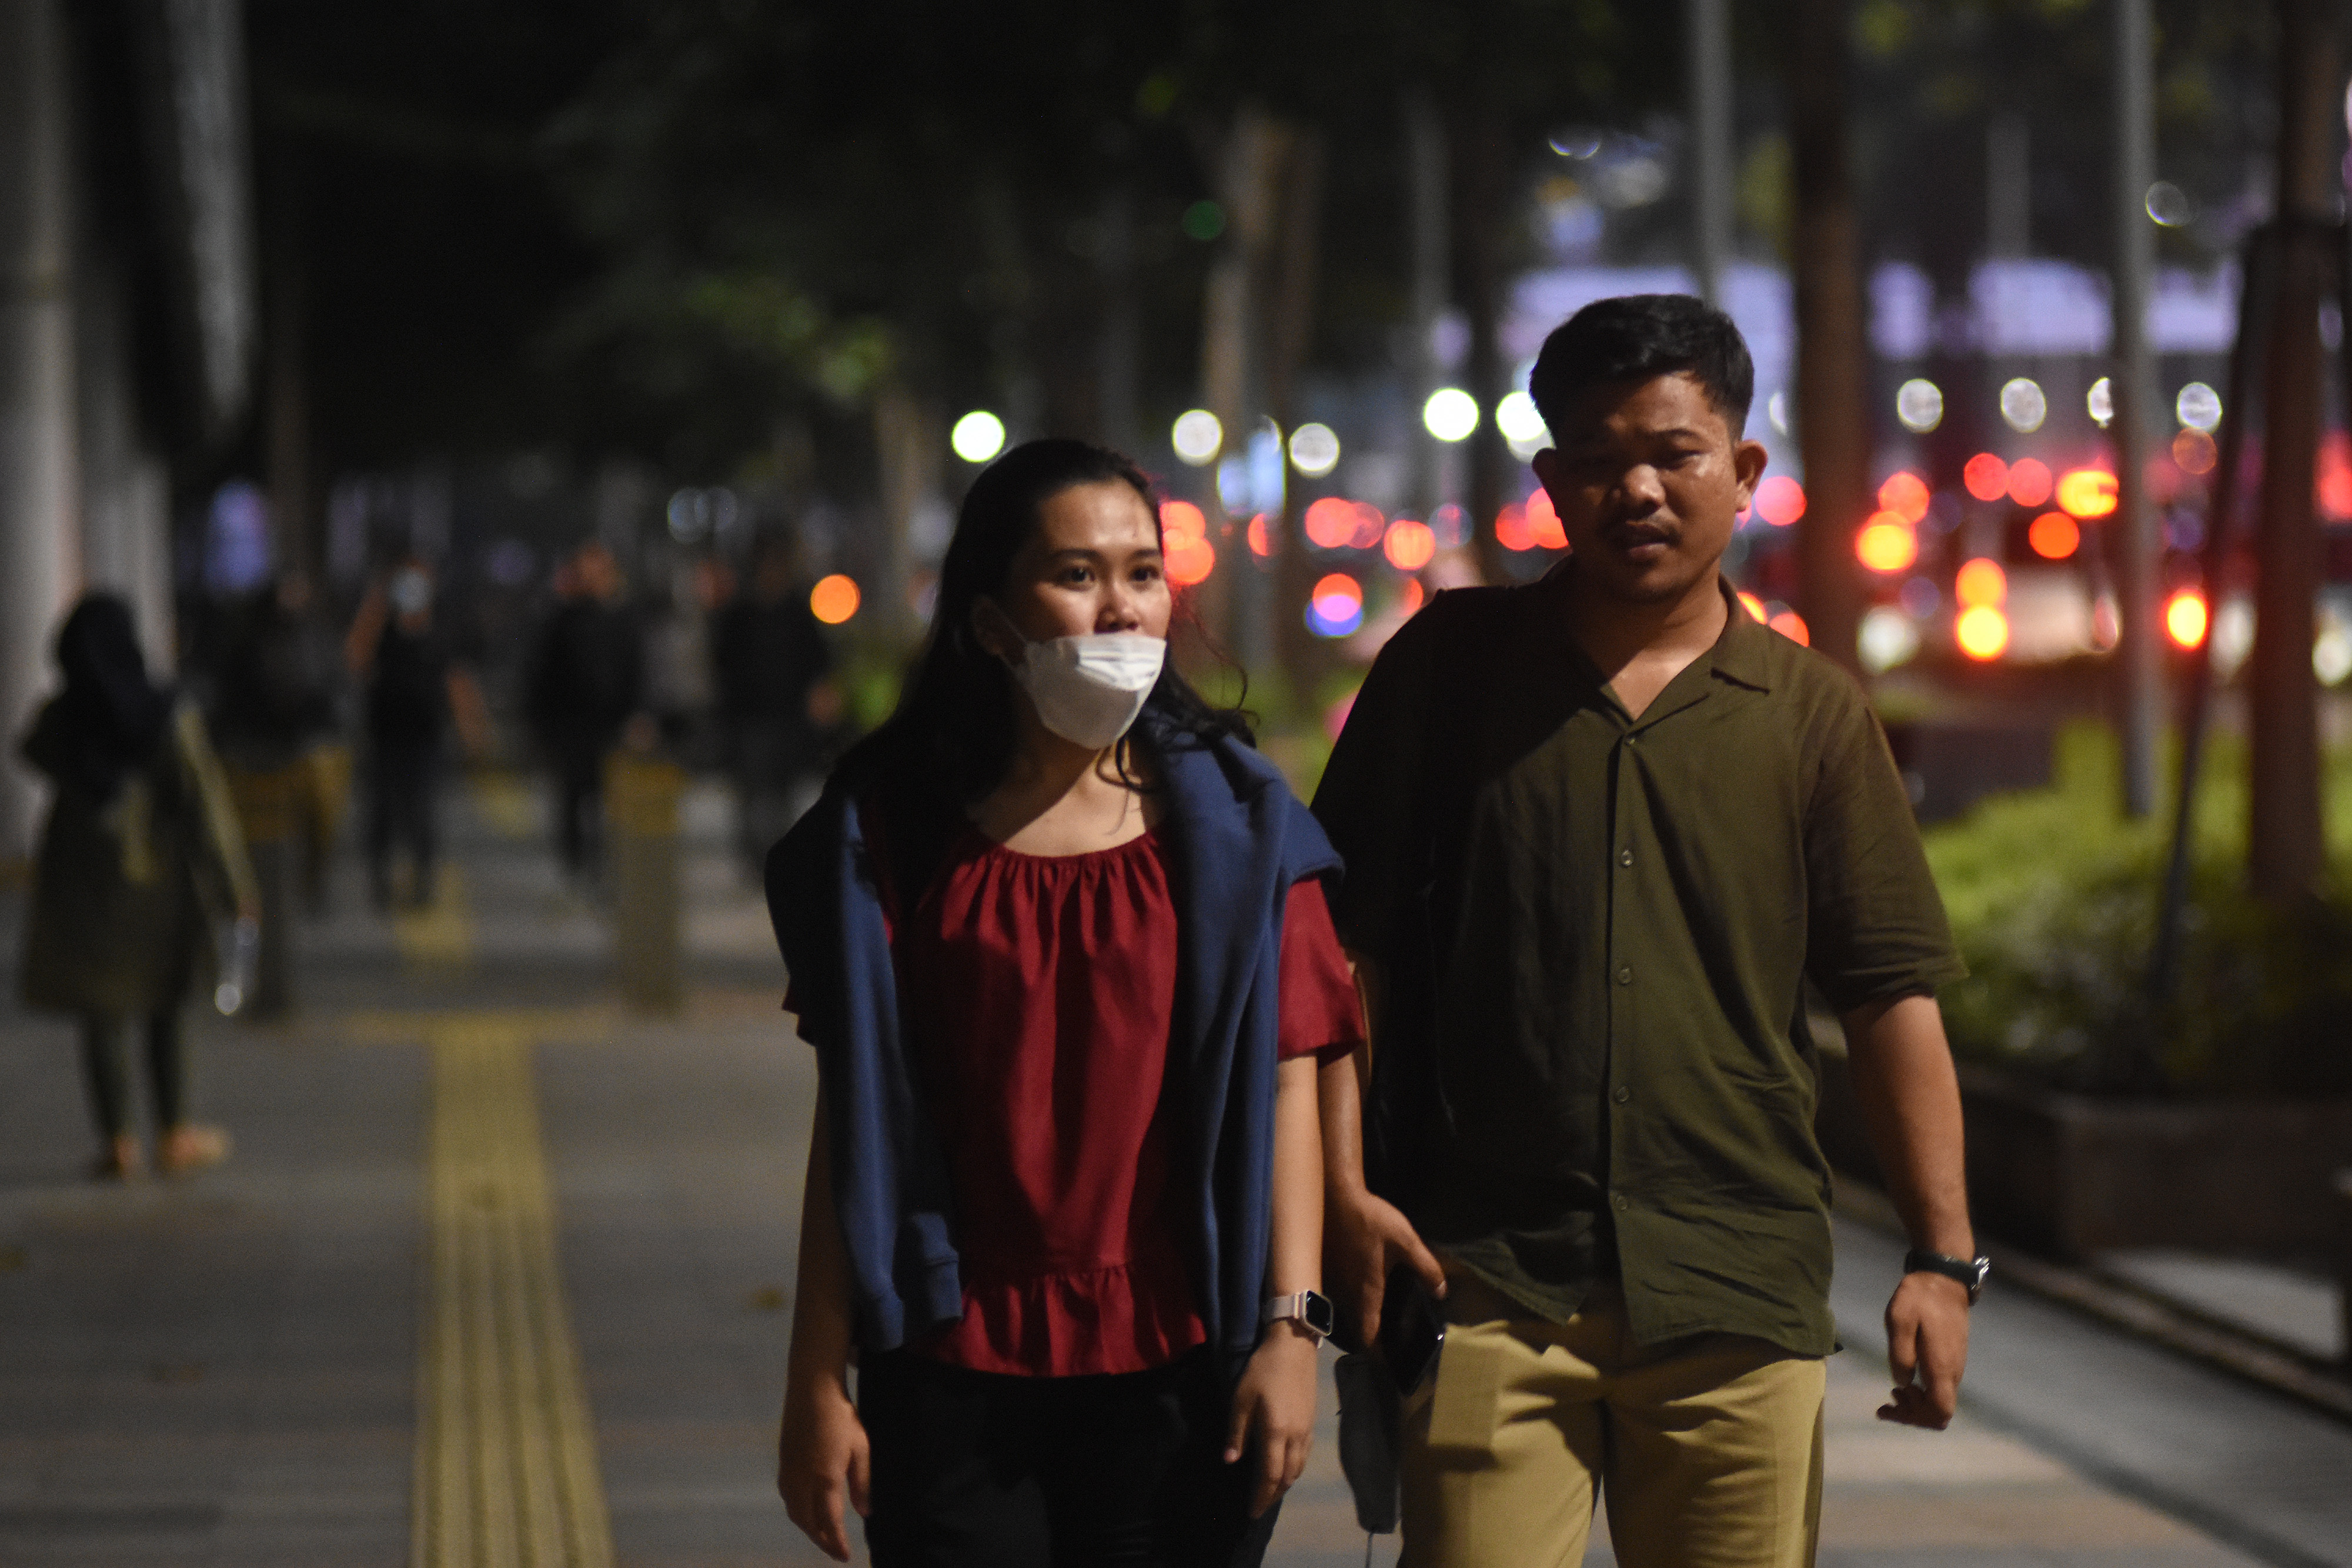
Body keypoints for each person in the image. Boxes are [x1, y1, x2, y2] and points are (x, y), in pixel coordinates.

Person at [1312, 295, 1981, 1568]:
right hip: (1487, 1278)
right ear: (1550, 481)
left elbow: (1890, 992)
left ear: (1740, 472)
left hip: (1735, 1287)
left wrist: (1941, 1258)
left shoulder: (1810, 716)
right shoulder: (1449, 672)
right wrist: (1339, 1193)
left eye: (1673, 454)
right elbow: (1345, 960)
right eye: (1601, 458)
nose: (1638, 489)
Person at [765, 439, 1355, 1566]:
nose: (1120, 609)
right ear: (990, 622)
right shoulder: (889, 834)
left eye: (1142, 571)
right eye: (1075, 575)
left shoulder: (1239, 826)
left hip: (1183, 1366)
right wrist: (814, 1379)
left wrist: (1293, 1334)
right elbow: (855, 1121)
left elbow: (1290, 1078)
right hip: (948, 1364)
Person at [18, 594, 258, 1179]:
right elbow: (206, 808)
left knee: (101, 1014)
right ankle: (174, 1132)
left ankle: (118, 1142)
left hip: (81, 887)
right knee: (166, 1004)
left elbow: (30, 751)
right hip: (160, 886)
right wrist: (237, 890)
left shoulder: (62, 720)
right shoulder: (167, 716)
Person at [346, 557, 487, 910]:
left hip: (426, 739)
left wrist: (473, 732)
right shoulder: (382, 631)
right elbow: (354, 659)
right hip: (384, 738)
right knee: (382, 814)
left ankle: (423, 882)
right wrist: (376, 606)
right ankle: (380, 881)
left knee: (422, 813)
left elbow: (458, 681)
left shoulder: (442, 632)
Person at [712, 533, 839, 877]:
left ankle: (776, 861)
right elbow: (723, 665)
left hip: (789, 719)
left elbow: (818, 660)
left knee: (782, 795)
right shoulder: (739, 615)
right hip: (750, 719)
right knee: (754, 796)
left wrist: (820, 696)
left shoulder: (797, 611)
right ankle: (758, 862)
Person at [527, 541, 647, 885]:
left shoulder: (624, 618)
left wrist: (638, 715)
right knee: (573, 797)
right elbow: (543, 675)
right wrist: (542, 725)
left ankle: (605, 866)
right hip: (571, 726)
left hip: (612, 725)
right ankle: (577, 864)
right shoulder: (562, 619)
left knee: (611, 800)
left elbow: (636, 671)